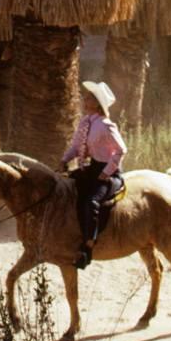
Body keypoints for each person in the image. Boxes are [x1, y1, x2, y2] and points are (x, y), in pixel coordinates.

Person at [62, 81, 127, 270]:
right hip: (91, 169)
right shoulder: (85, 123)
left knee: (91, 202)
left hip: (107, 173)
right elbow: (76, 146)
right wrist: (65, 160)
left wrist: (107, 172)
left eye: (89, 97)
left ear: (97, 104)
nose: (85, 99)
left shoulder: (106, 126)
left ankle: (88, 246)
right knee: (64, 187)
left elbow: (121, 149)